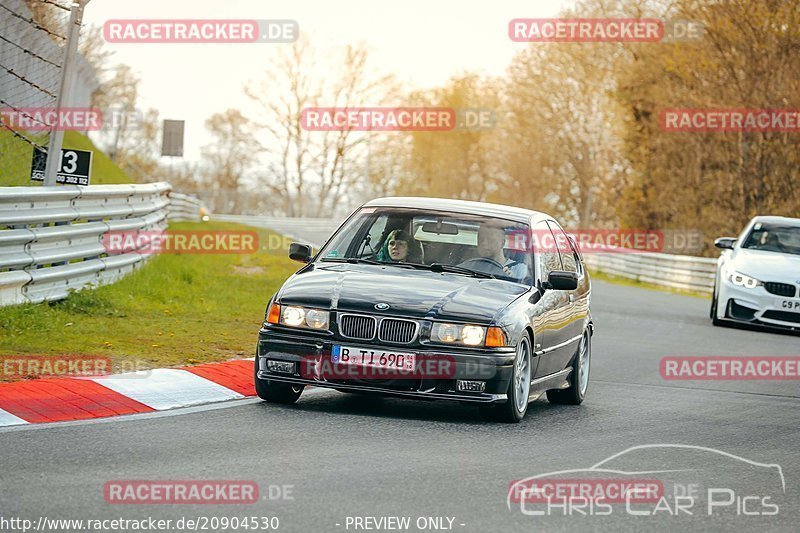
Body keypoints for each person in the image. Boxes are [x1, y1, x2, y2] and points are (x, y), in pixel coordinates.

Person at [459, 225, 528, 279]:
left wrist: (511, 280)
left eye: (490, 240)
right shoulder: (469, 266)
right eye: (481, 239)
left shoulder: (520, 270)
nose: (484, 243)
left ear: (502, 243)